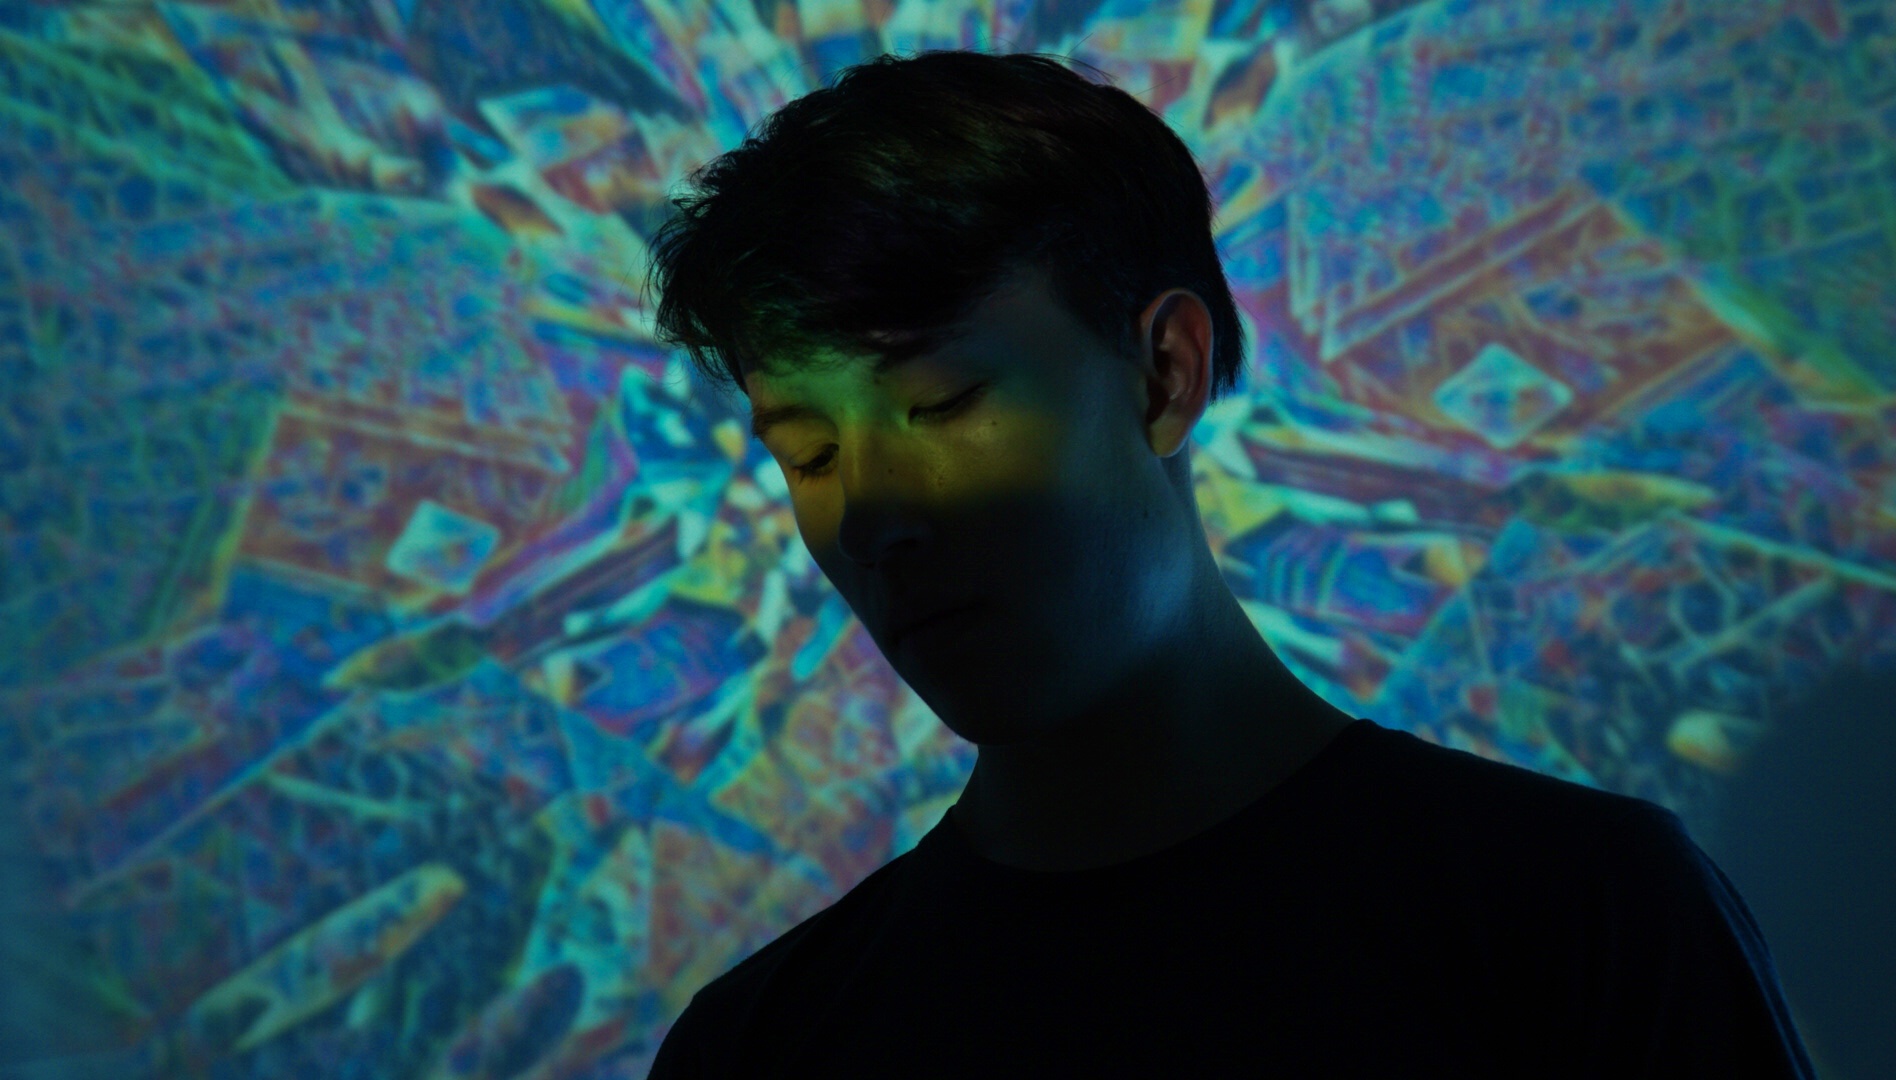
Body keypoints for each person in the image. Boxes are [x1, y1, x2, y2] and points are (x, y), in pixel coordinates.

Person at [640, 49, 1813, 1077]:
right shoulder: (763, 1045)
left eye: (943, 405)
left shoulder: (1575, 917)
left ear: (1166, 373)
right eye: (808, 451)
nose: (872, 514)